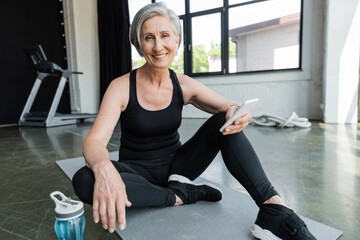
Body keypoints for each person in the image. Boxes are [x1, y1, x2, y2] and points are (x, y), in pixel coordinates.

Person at [72, 2, 316, 240]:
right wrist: (104, 169)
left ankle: (273, 208)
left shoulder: (184, 84)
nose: (159, 46)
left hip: (179, 168)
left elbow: (229, 108)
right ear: (138, 44)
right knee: (84, 180)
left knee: (223, 121)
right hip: (135, 172)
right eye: (149, 38)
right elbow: (94, 142)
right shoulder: (121, 87)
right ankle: (180, 196)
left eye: (165, 35)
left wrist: (239, 114)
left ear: (177, 40)